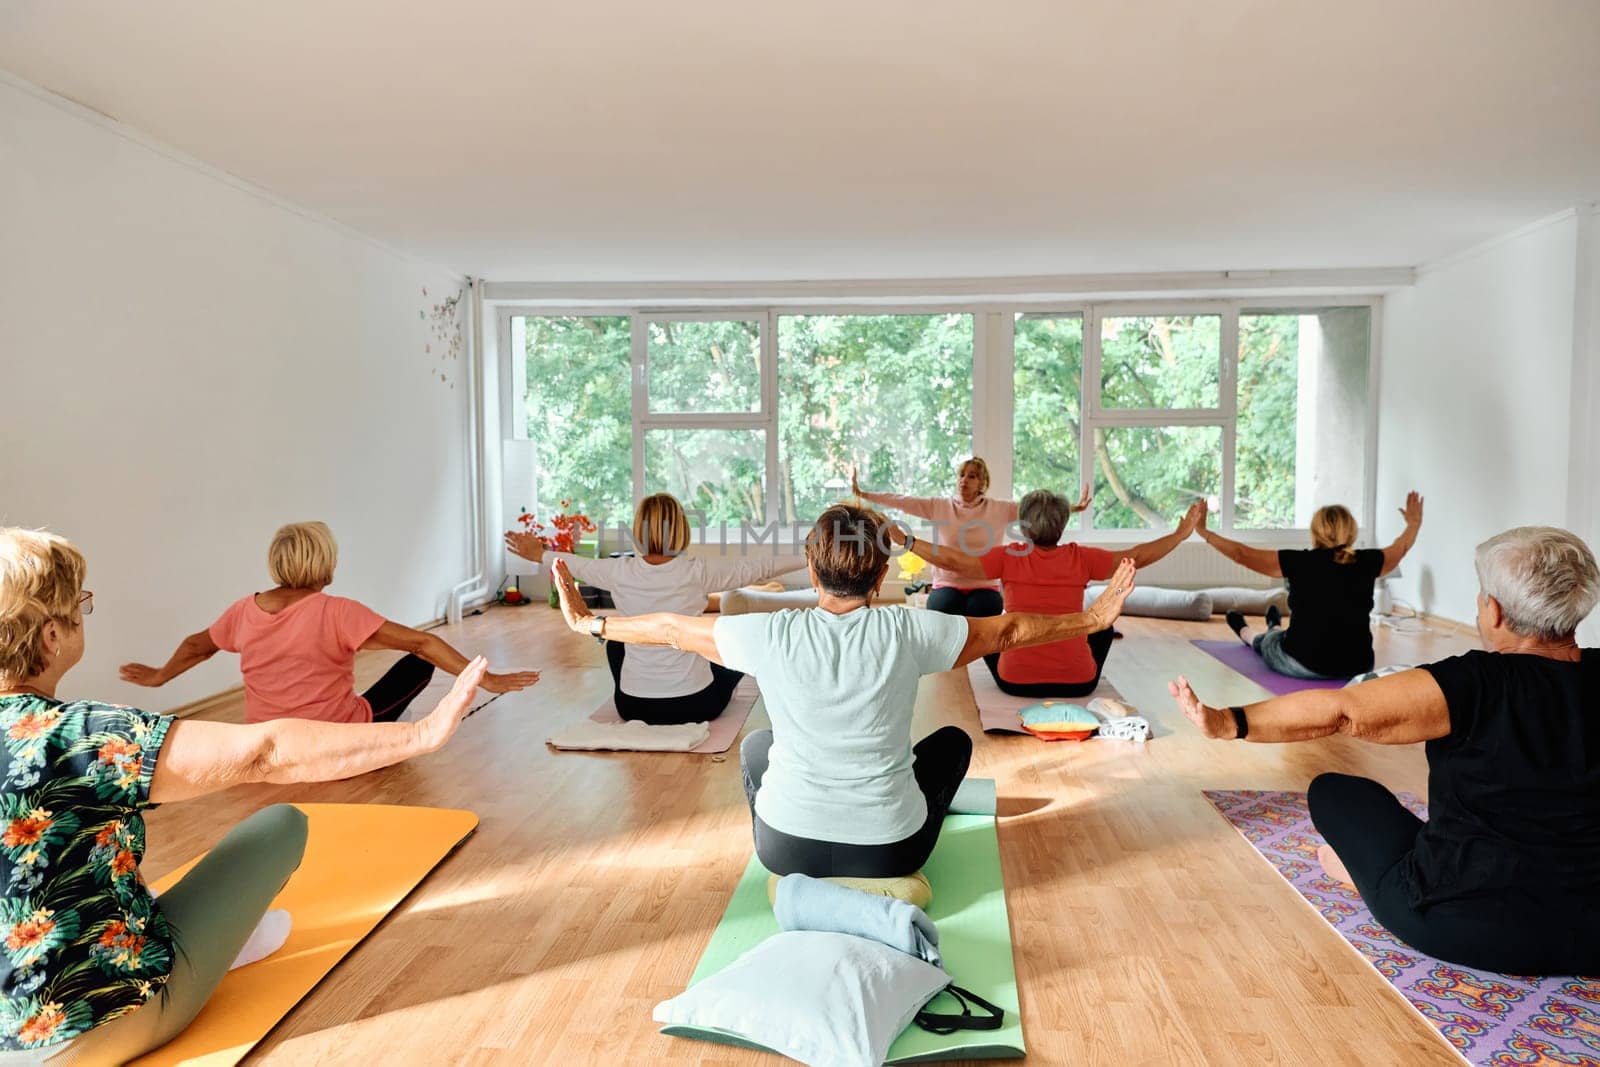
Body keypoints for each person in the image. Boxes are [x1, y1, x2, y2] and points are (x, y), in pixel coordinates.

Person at [0, 527, 490, 1063]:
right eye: (79, 606)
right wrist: (420, 735)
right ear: (50, 636)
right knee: (281, 825)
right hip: (87, 1030)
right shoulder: (84, 736)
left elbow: (203, 656)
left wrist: (164, 674)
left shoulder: (245, 615)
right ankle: (220, 948)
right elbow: (265, 752)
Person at [549, 503, 1138, 878]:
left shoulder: (767, 634)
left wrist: (592, 624)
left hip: (783, 850)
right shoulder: (911, 630)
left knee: (757, 748)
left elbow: (674, 630)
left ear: (811, 570)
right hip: (891, 851)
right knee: (954, 741)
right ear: (882, 575)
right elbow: (1009, 628)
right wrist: (1092, 618)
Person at [1170, 525, 1600, 975]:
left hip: (1456, 923)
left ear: (1492, 611)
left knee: (1335, 793)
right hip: (1591, 935)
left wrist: (1227, 722)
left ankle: (1360, 876)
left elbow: (1342, 711)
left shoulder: (1472, 683)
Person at [121, 522, 538, 724]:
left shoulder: (244, 611)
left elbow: (198, 644)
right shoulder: (338, 611)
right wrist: (488, 679)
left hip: (268, 737)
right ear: (324, 562)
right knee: (418, 663)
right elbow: (421, 644)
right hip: (336, 734)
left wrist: (160, 677)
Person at [506, 494, 804, 725]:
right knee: (729, 650)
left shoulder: (617, 571)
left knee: (615, 641)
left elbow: (572, 564)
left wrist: (539, 553)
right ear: (681, 528)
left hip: (633, 707)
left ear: (639, 529)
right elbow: (758, 566)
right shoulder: (696, 571)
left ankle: (642, 684)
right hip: (697, 704)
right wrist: (810, 555)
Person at [894, 490, 1204, 697]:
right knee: (1103, 629)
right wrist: (1179, 534)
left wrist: (906, 541)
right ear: (1062, 524)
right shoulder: (1082, 558)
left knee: (992, 630)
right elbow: (1139, 555)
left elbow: (953, 561)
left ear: (1024, 526)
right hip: (1079, 684)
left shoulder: (1010, 555)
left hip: (1015, 683)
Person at [1195, 494, 1423, 680]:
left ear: (1316, 532)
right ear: (1351, 531)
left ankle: (1249, 632)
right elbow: (1400, 548)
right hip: (1358, 665)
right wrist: (1414, 524)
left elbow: (1241, 554)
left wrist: (1205, 532)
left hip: (1304, 663)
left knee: (1269, 642)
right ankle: (1273, 626)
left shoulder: (1298, 562)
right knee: (1285, 636)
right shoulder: (1370, 560)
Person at [851, 458, 1090, 619]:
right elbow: (901, 500)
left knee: (984, 609)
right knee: (942, 608)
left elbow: (1041, 509)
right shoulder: (938, 506)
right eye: (962, 475)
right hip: (948, 583)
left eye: (973, 476)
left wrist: (1075, 508)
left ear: (983, 483)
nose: (965, 480)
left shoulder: (999, 509)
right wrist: (864, 493)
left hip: (984, 584)